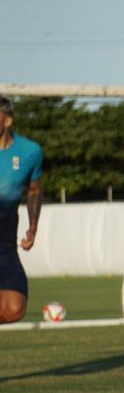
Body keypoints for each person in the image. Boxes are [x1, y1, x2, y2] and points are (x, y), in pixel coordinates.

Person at [0, 95, 44, 325]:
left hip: (5, 243)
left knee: (14, 308)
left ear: (7, 121)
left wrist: (33, 228)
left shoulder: (30, 152)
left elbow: (34, 191)